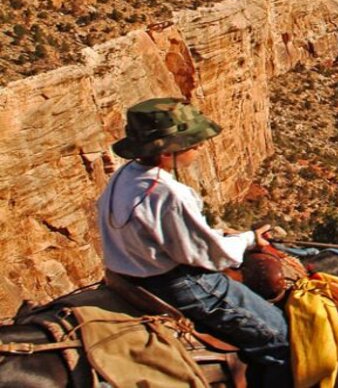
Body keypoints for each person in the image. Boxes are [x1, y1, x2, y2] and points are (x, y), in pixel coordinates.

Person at [97, 97, 291, 387]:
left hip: (127, 277)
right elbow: (210, 256)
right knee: (281, 337)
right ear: (166, 152)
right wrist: (249, 239)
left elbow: (174, 235)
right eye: (192, 142)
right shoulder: (168, 193)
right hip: (179, 284)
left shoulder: (125, 175)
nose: (200, 147)